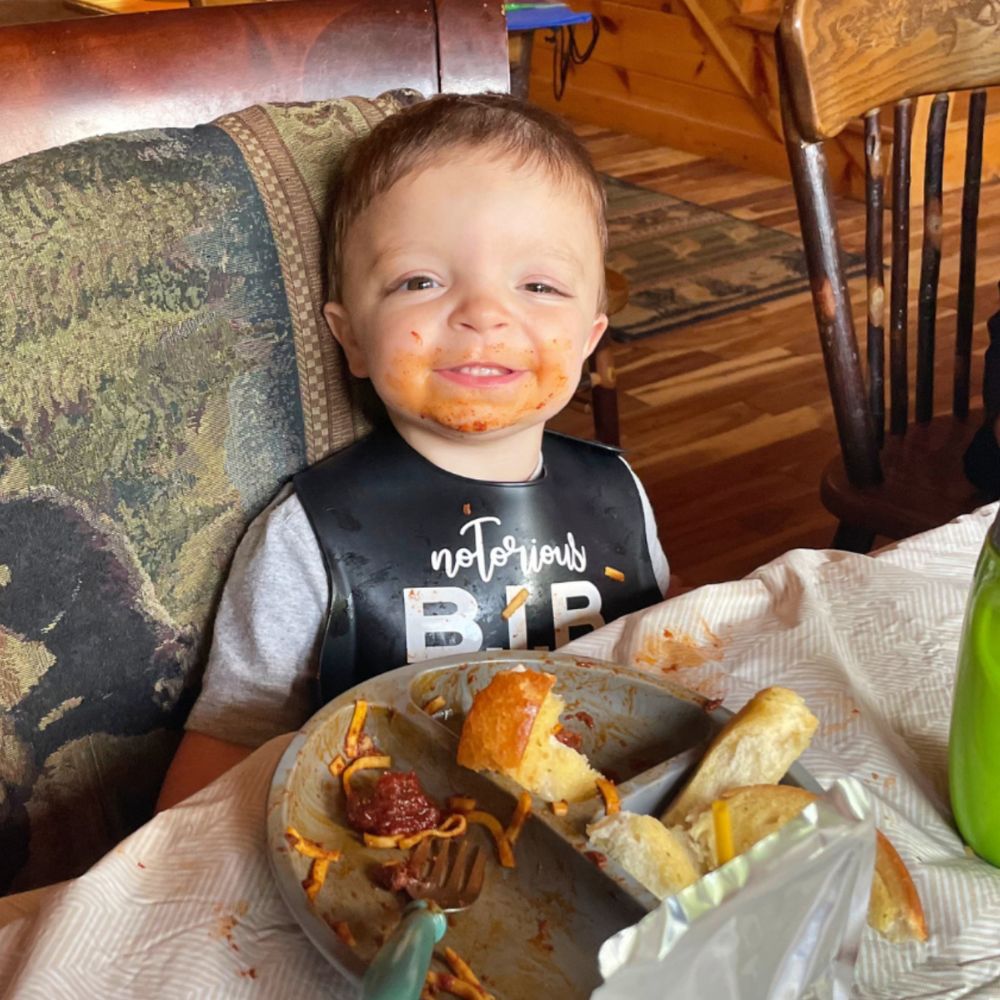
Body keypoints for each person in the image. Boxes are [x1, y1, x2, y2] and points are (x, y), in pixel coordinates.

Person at [157, 93, 670, 810]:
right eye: (419, 281)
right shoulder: (314, 535)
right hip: (388, 861)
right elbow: (231, 739)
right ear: (353, 338)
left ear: (589, 337)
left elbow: (656, 679)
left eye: (540, 285)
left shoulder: (618, 491)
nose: (484, 312)